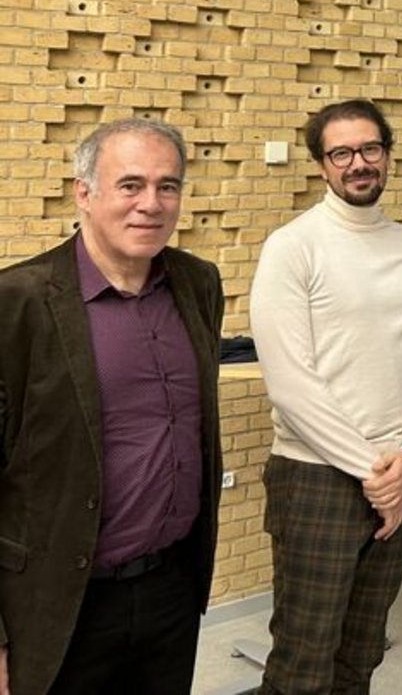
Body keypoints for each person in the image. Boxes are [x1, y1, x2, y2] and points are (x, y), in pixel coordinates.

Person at [0, 119, 224, 695]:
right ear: (84, 192)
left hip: (172, 589)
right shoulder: (17, 302)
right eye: (130, 185)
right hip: (60, 604)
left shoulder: (198, 284)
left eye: (167, 186)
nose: (151, 203)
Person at [250, 100, 402, 694]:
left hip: (397, 474)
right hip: (317, 478)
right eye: (341, 153)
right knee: (303, 663)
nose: (358, 163)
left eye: (370, 149)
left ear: (387, 155)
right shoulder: (293, 246)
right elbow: (291, 384)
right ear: (322, 165)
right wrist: (375, 474)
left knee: (361, 653)